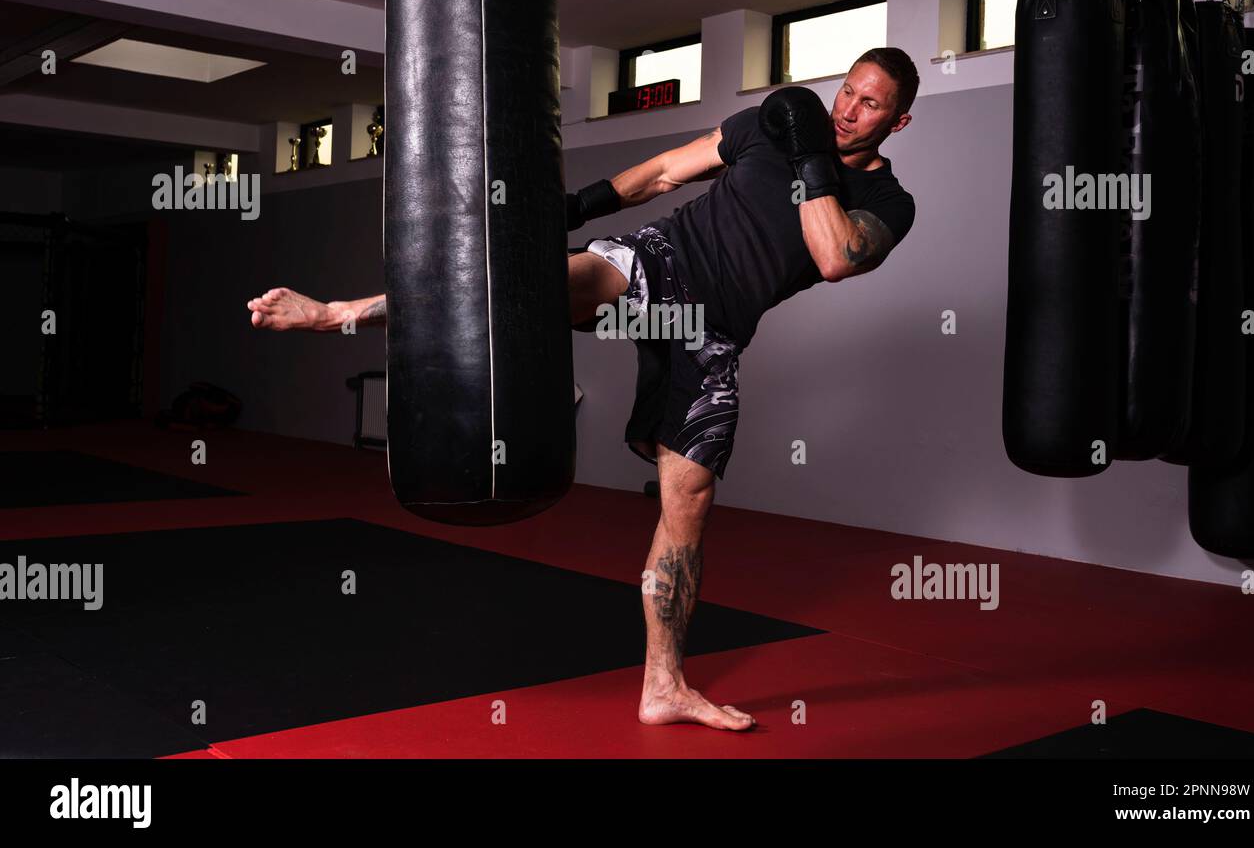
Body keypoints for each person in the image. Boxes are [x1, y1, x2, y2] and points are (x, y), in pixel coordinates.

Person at [247, 47, 919, 731]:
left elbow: (834, 255)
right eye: (846, 92)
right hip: (662, 263)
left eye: (870, 104)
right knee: (533, 285)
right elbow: (659, 174)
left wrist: (812, 159)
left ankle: (663, 685)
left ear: (899, 121)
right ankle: (341, 312)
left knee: (688, 499)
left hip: (713, 329)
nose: (847, 110)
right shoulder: (766, 127)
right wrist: (566, 212)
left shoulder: (888, 201)